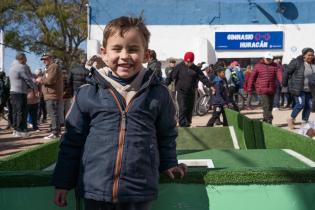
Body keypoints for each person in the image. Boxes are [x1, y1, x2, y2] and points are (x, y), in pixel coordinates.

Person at [52, 16, 187, 210]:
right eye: (117, 49)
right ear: (104, 53)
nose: (124, 56)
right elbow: (72, 140)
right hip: (94, 189)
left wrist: (169, 163)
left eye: (133, 49)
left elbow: (166, 135)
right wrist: (63, 183)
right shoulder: (87, 93)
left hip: (139, 190)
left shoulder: (159, 93)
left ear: (146, 55)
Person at [166, 51, 211, 127]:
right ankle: (182, 124)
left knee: (190, 109)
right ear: (184, 60)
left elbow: (203, 78)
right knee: (183, 108)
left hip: (192, 92)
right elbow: (170, 77)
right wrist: (165, 84)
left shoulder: (196, 69)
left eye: (190, 62)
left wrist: (210, 85)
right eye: (187, 61)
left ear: (193, 61)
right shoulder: (179, 67)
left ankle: (188, 123)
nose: (188, 63)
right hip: (181, 92)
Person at [283, 48, 315, 129]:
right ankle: (291, 119)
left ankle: (304, 122)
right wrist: (284, 83)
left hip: (310, 89)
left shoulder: (314, 63)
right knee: (300, 104)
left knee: (309, 105)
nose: (311, 57)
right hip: (298, 88)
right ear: (304, 55)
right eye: (309, 55)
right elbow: (286, 72)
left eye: (312, 55)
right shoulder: (297, 62)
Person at [248, 53, 282, 124]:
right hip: (262, 89)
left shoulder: (275, 66)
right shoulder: (258, 66)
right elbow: (252, 78)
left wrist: (282, 81)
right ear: (264, 58)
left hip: (272, 89)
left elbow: (279, 74)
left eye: (270, 59)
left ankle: (265, 119)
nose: (269, 60)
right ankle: (269, 120)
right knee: (266, 105)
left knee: (270, 106)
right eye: (267, 59)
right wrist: (249, 88)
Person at [9, 52, 35, 137]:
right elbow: (28, 79)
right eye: (25, 58)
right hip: (20, 92)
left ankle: (16, 130)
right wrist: (34, 86)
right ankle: (21, 131)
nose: (27, 60)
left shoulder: (12, 66)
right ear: (21, 59)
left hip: (13, 92)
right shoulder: (21, 67)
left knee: (16, 112)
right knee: (22, 111)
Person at [40, 53, 64, 139]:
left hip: (52, 95)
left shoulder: (53, 66)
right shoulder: (49, 67)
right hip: (51, 95)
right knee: (54, 114)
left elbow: (50, 80)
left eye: (46, 59)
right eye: (43, 59)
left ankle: (55, 132)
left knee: (53, 114)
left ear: (51, 58)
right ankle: (56, 132)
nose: (44, 61)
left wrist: (40, 79)